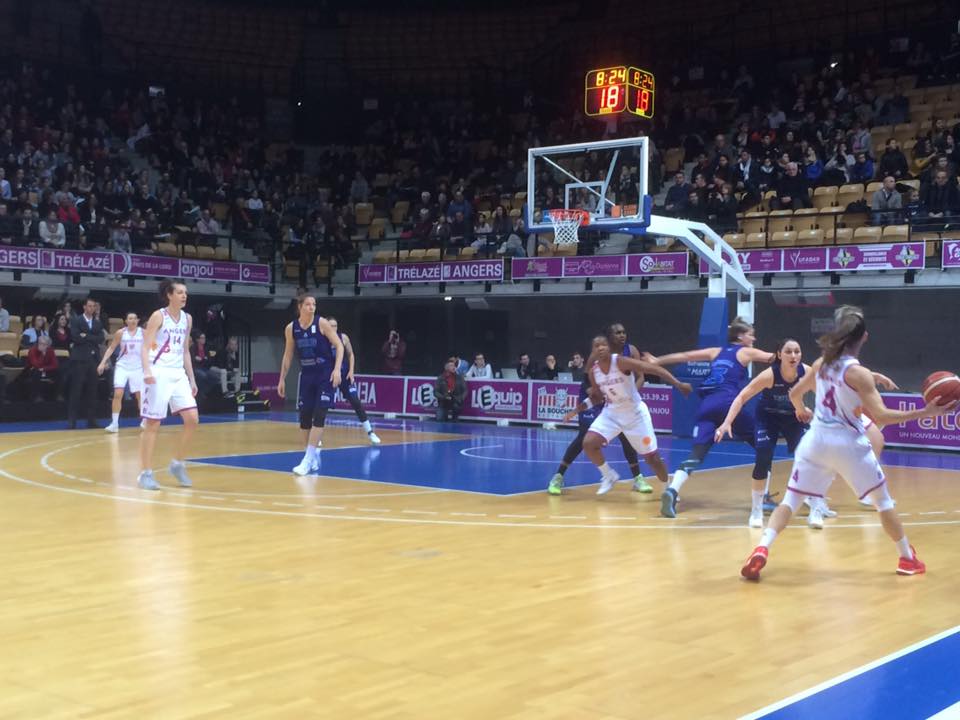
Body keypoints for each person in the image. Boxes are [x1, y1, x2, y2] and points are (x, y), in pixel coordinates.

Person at [740, 307, 956, 580]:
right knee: (883, 503)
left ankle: (761, 548)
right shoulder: (859, 374)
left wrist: (800, 410)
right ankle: (907, 558)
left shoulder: (820, 363)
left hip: (815, 440)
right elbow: (882, 417)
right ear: (864, 337)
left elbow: (795, 392)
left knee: (791, 500)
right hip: (849, 445)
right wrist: (926, 413)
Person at [643, 317, 775, 518]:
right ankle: (763, 498)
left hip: (707, 405)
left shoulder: (715, 351)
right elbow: (774, 358)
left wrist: (657, 360)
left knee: (696, 454)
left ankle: (672, 490)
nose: (754, 338)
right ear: (740, 336)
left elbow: (685, 355)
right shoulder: (746, 351)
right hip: (729, 403)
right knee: (764, 447)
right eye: (750, 334)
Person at [577, 335, 692, 495]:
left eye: (603, 345)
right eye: (596, 346)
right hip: (612, 413)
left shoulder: (621, 362)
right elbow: (597, 397)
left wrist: (678, 384)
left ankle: (669, 488)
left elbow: (654, 369)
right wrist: (576, 410)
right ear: (593, 351)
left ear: (609, 347)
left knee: (653, 459)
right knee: (589, 443)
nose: (600, 348)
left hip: (635, 415)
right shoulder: (594, 372)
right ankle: (608, 475)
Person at [138, 280, 200, 490]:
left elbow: (184, 350)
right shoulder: (159, 316)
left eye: (186, 293)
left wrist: (191, 378)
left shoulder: (187, 319)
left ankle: (177, 463)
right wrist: (146, 371)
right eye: (180, 292)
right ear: (169, 295)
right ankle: (145, 473)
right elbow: (145, 347)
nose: (184, 296)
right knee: (153, 424)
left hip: (178, 374)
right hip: (158, 372)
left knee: (192, 419)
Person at [277, 295, 344, 476]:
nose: (312, 307)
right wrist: (282, 379)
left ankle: (307, 459)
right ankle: (311, 456)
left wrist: (337, 369)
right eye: (308, 304)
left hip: (324, 373)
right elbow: (288, 355)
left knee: (319, 415)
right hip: (307, 375)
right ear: (300, 307)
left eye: (314, 304)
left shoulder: (322, 323)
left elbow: (339, 345)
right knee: (304, 419)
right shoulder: (291, 328)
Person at [326, 317, 381, 444]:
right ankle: (316, 436)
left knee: (356, 402)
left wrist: (351, 371)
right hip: (329, 375)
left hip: (344, 374)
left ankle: (370, 432)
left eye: (335, 325)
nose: (333, 328)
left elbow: (351, 354)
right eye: (330, 326)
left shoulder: (343, 338)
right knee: (322, 405)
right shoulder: (322, 340)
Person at [97, 311, 144, 433]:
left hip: (138, 368)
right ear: (126, 321)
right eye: (130, 318)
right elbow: (111, 348)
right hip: (122, 366)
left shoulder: (143, 333)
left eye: (134, 318)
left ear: (137, 321)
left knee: (140, 396)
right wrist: (103, 362)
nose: (132, 320)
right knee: (118, 394)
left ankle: (144, 421)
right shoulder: (120, 333)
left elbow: (153, 346)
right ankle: (114, 423)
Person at [68, 298, 104, 429]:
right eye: (89, 306)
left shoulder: (97, 322)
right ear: (84, 307)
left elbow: (100, 338)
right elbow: (75, 337)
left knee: (92, 391)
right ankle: (72, 421)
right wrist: (91, 338)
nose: (91, 308)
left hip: (93, 360)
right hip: (80, 359)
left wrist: (86, 336)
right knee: (76, 391)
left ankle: (91, 420)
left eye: (93, 306)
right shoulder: (76, 320)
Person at [21, 335, 58, 401]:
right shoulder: (32, 350)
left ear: (48, 345)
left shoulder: (50, 350)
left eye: (44, 344)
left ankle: (57, 394)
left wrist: (44, 369)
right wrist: (43, 354)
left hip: (45, 370)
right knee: (37, 371)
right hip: (32, 371)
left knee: (58, 371)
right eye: (40, 343)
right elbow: (36, 365)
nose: (41, 345)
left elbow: (55, 365)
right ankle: (35, 396)